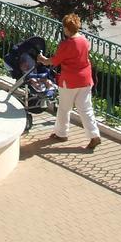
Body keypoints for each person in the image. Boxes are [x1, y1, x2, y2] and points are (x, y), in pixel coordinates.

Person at [41, 13, 101, 149]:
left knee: (64, 108)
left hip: (70, 81)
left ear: (67, 29)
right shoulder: (84, 40)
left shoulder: (66, 44)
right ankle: (94, 135)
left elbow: (55, 61)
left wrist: (43, 59)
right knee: (86, 108)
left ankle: (61, 134)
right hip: (85, 79)